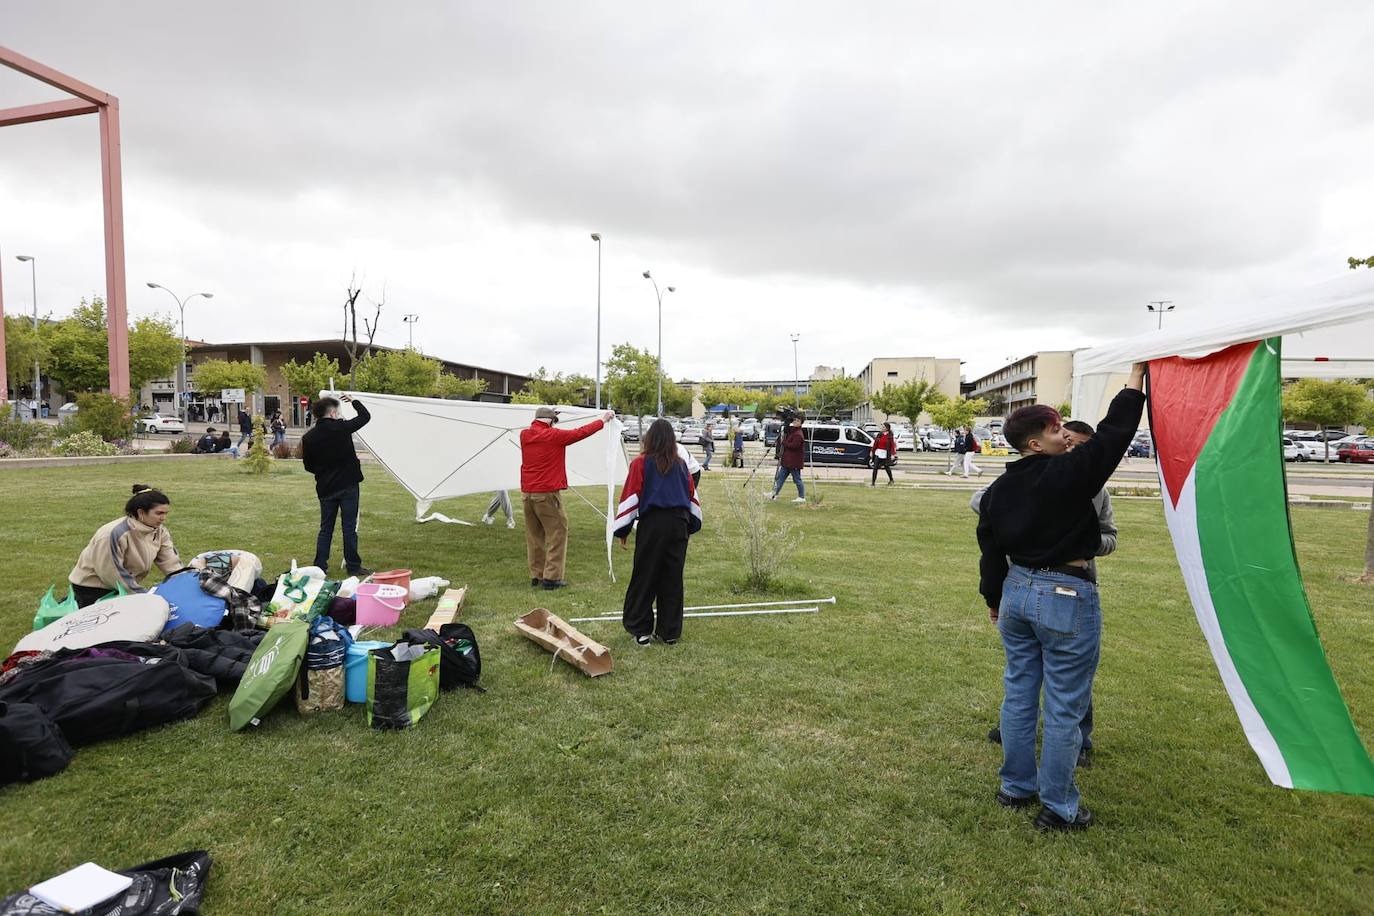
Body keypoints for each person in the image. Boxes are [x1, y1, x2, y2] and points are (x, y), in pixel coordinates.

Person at [976, 364, 1145, 832]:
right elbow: (1114, 435)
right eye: (1056, 431)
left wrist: (994, 599)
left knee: (1019, 692)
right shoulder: (1067, 476)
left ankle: (1016, 786)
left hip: (1016, 595)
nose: (1065, 436)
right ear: (1035, 443)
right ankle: (1060, 805)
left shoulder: (999, 489)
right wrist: (1135, 380)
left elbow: (990, 551)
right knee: (1065, 705)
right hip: (1065, 595)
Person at [972, 418, 1119, 763]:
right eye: (1064, 439)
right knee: (1027, 684)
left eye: (1081, 447)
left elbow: (1109, 536)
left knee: (1068, 685)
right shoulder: (1021, 480)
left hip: (1065, 584)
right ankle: (1049, 798)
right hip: (1029, 585)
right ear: (1039, 444)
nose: (1071, 448)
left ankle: (1077, 744)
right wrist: (1026, 516)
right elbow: (982, 504)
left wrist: (1077, 539)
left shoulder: (1092, 488)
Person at [614, 419, 703, 646]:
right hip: (678, 525)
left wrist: (623, 529)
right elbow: (692, 496)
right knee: (672, 578)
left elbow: (631, 496)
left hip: (653, 525)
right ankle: (669, 632)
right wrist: (690, 526)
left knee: (645, 575)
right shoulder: (681, 464)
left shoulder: (640, 463)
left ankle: (641, 630)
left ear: (649, 438)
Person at [520, 406, 615, 590]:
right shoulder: (553, 436)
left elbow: (543, 428)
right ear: (551, 421)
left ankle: (537, 575)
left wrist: (552, 416)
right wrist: (602, 420)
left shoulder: (525, 435)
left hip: (527, 494)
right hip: (547, 493)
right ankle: (552, 578)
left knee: (534, 535)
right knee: (558, 532)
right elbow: (581, 432)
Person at [67, 485, 181, 608]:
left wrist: (185, 580)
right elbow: (112, 573)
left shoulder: (159, 531)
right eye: (159, 513)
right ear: (141, 512)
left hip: (122, 586)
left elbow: (170, 561)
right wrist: (142, 596)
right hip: (92, 590)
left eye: (165, 513)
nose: (163, 518)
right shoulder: (113, 534)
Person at [301, 394, 373, 578]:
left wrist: (323, 472)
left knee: (326, 528)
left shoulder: (309, 437)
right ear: (333, 413)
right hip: (348, 484)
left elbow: (308, 465)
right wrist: (353, 401)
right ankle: (353, 566)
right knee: (349, 528)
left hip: (326, 487)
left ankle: (320, 566)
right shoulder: (342, 428)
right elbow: (365, 416)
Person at [770, 416, 806, 502]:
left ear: (801, 423)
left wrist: (784, 442)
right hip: (787, 461)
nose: (795, 422)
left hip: (794, 462)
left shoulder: (798, 434)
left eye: (797, 421)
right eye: (794, 420)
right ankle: (774, 494)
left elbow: (794, 446)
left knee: (797, 479)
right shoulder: (793, 431)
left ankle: (801, 497)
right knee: (780, 478)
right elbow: (787, 430)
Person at [871, 422, 896, 486]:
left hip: (885, 453)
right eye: (882, 427)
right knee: (875, 467)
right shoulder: (879, 434)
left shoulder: (890, 436)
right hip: (878, 452)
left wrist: (893, 454)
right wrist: (872, 451)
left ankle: (891, 480)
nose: (882, 428)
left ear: (887, 428)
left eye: (883, 427)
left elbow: (892, 445)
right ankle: (873, 482)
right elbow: (875, 443)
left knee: (887, 467)